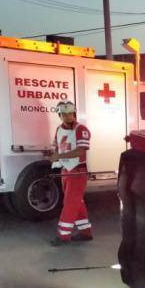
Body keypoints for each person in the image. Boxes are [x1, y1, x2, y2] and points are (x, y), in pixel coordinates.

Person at [46, 101, 92, 246]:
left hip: (78, 171)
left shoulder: (81, 129)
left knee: (70, 203)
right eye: (64, 114)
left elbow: (80, 151)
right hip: (66, 170)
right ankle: (86, 232)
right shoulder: (59, 129)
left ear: (74, 113)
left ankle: (63, 235)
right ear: (59, 115)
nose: (68, 116)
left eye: (70, 113)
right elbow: (57, 146)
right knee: (76, 202)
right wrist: (54, 155)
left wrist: (59, 157)